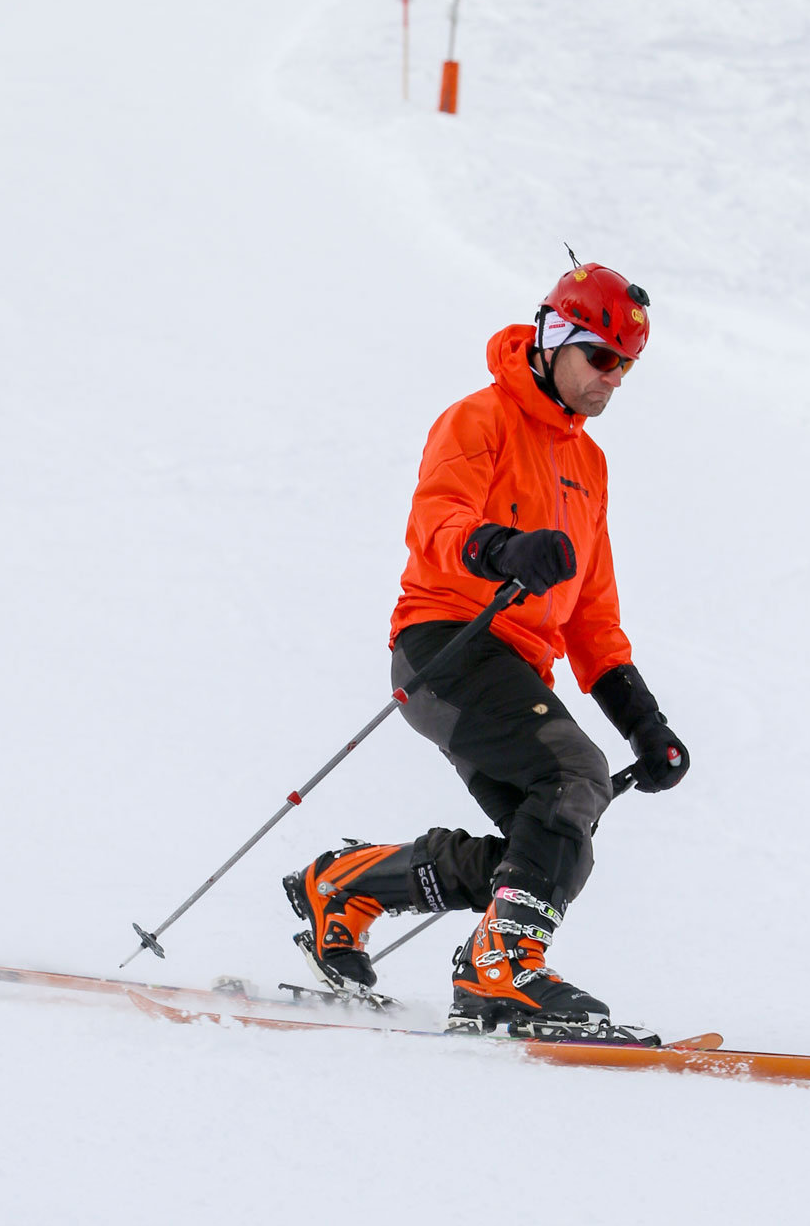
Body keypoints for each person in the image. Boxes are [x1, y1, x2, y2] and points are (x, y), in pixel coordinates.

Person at [282, 258, 690, 1032]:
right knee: (573, 775)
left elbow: (593, 619)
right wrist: (502, 549)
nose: (612, 379)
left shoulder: (588, 464)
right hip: (447, 643)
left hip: (514, 665)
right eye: (601, 357)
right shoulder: (480, 418)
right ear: (554, 337)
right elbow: (435, 521)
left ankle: (346, 888)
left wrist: (647, 724)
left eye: (626, 365)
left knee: (543, 846)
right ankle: (501, 967)